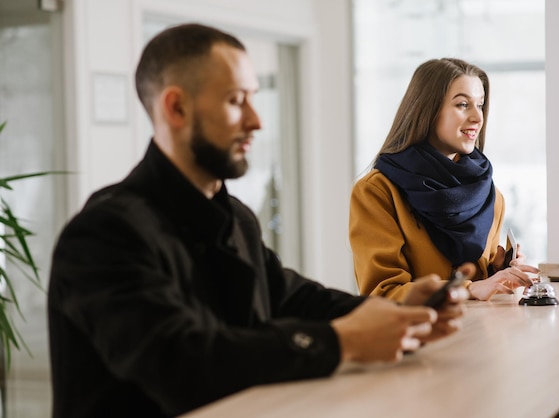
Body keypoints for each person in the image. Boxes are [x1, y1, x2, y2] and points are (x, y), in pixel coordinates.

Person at [47, 24, 468, 418]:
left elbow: (290, 297)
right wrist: (344, 342)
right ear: (175, 107)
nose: (257, 121)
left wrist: (392, 311)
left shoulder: (236, 218)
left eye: (253, 98)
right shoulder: (104, 233)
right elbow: (184, 362)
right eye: (235, 101)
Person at [349, 57, 539, 303]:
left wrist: (499, 275)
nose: (477, 118)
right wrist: (468, 289)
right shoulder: (376, 192)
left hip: (478, 336)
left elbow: (478, 282)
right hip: (417, 337)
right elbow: (383, 293)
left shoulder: (490, 196)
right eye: (462, 104)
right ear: (427, 110)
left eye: (480, 105)